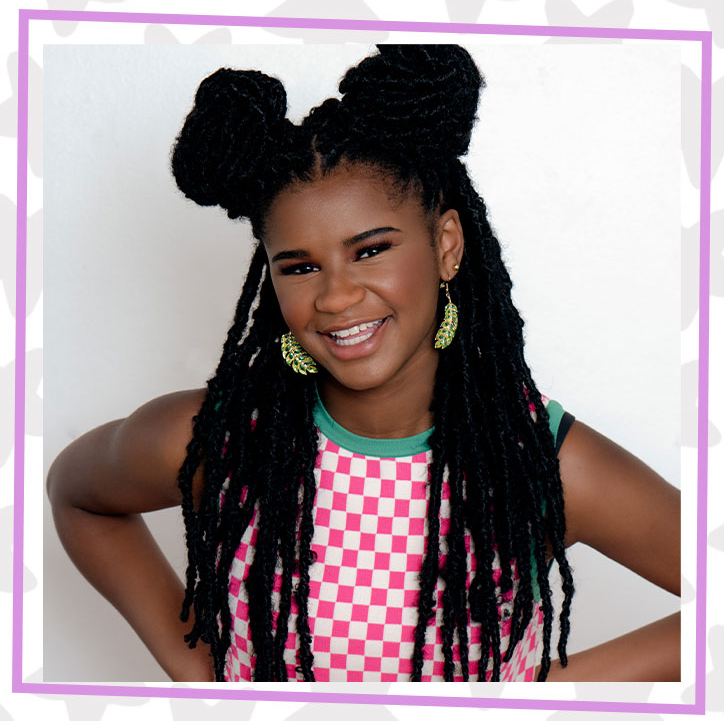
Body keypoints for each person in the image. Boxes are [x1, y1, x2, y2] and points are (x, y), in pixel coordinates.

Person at [46, 45, 680, 683]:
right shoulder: (217, 438)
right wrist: (204, 679)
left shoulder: (536, 459)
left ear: (447, 246)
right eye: (299, 266)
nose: (336, 296)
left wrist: (536, 697)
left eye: (371, 250)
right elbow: (77, 496)